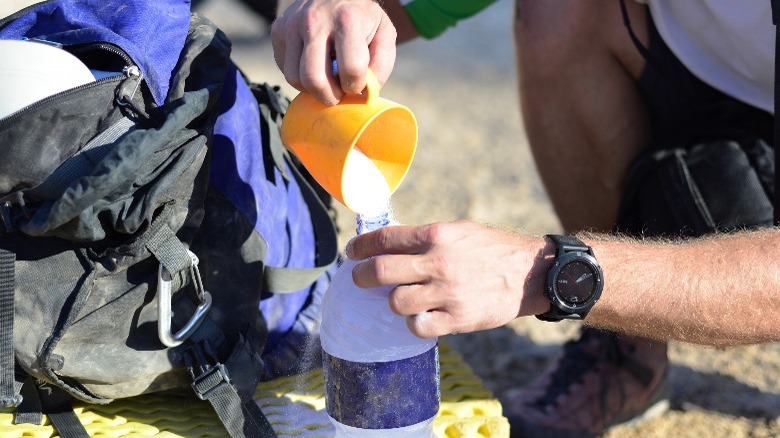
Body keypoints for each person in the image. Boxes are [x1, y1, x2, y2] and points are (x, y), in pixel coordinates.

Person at [271, 0, 780, 436]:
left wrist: (548, 273)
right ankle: (627, 353)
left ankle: (604, 302)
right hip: (713, 91)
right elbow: (382, 14)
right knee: (559, 10)